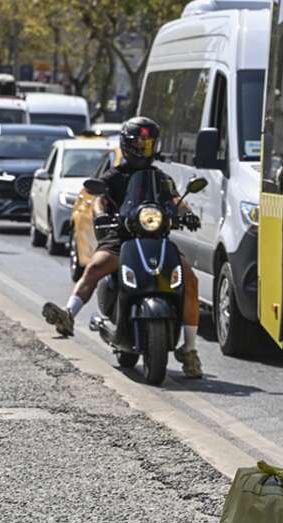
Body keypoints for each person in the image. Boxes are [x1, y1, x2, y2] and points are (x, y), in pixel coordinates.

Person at [40, 116, 205, 378]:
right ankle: (68, 314)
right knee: (94, 267)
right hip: (121, 239)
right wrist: (100, 214)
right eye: (139, 142)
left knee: (190, 279)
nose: (144, 147)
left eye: (148, 142)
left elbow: (175, 199)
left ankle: (190, 350)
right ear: (128, 144)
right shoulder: (115, 174)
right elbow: (99, 200)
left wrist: (187, 212)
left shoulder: (159, 176)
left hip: (157, 239)